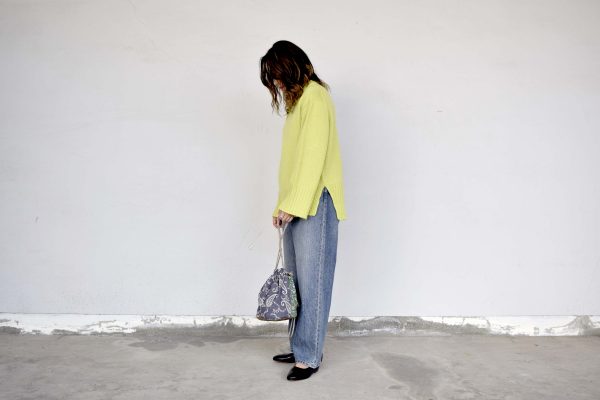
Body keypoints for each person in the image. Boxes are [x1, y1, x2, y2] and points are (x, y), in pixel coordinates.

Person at [259, 40, 347, 381]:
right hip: (298, 203)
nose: (276, 83)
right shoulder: (299, 103)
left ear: (293, 68)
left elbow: (313, 159)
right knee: (296, 283)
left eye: (278, 75)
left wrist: (293, 205)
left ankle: (309, 356)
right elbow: (293, 165)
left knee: (313, 283)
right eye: (272, 78)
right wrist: (283, 205)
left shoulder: (315, 97)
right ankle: (300, 347)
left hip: (316, 201)